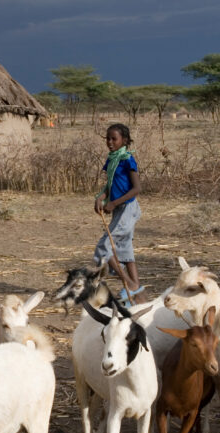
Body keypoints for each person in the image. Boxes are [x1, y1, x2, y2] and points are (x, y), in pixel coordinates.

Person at [93, 123, 146, 306]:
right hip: (119, 210)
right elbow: (110, 186)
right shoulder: (112, 159)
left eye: (113, 139)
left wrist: (114, 202)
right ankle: (136, 290)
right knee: (124, 248)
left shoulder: (126, 159)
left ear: (124, 140)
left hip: (127, 208)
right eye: (107, 138)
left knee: (104, 248)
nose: (109, 142)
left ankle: (129, 284)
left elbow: (137, 188)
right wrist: (101, 198)